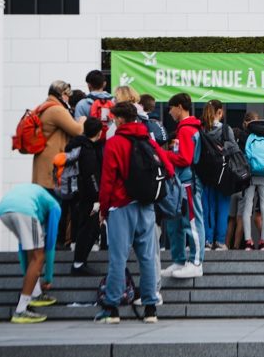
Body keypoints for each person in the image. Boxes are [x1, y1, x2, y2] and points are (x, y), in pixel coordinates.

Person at [95, 102, 175, 324]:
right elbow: (168, 168)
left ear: (119, 119)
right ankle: (150, 309)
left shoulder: (114, 143)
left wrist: (103, 209)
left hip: (121, 207)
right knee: (148, 258)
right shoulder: (147, 140)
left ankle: (112, 309)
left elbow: (107, 180)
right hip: (146, 207)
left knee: (118, 258)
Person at [0, 183, 61, 324]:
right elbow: (50, 243)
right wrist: (49, 278)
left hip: (4, 210)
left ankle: (36, 292)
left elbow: (22, 249)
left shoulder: (37, 198)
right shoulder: (55, 206)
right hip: (24, 210)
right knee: (39, 256)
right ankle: (21, 310)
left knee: (32, 252)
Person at [161, 93, 205, 278]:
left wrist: (165, 155)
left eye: (171, 108)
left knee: (191, 222)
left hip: (187, 182)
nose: (169, 112)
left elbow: (185, 158)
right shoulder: (189, 128)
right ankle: (181, 261)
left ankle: (195, 262)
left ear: (179, 107)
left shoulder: (186, 130)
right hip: (185, 182)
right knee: (179, 222)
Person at [32, 80, 85, 189]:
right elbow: (77, 131)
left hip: (43, 159)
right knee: (53, 201)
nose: (68, 98)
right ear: (61, 94)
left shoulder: (44, 106)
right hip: (51, 162)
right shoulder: (57, 110)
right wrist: (82, 120)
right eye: (67, 94)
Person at [69, 117, 104, 275]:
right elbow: (91, 176)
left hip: (78, 194)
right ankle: (79, 263)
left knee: (87, 227)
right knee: (89, 228)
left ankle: (80, 262)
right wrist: (97, 197)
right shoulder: (88, 150)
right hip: (89, 197)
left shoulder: (76, 145)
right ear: (98, 132)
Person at [200, 100, 231, 250]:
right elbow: (234, 149)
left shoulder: (201, 130)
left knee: (207, 208)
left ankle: (207, 239)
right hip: (224, 175)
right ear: (219, 112)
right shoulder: (225, 129)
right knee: (223, 208)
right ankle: (219, 241)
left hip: (206, 175)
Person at [243, 114, 264, 250]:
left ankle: (248, 241)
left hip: (252, 175)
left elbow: (247, 154)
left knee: (248, 206)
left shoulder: (250, 137)